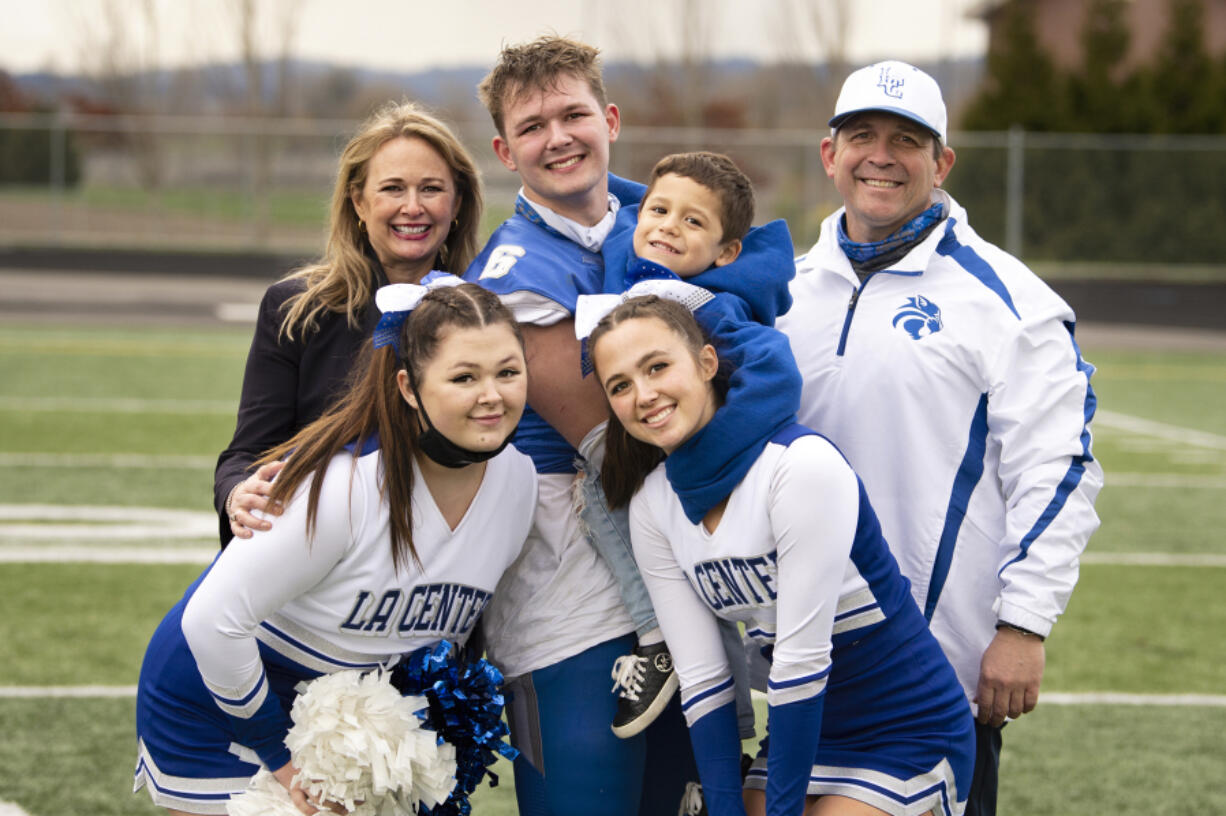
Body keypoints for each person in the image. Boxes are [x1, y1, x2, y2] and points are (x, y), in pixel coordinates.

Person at [776, 60, 1103, 816]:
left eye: (907, 140)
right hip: (806, 660)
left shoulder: (1008, 300)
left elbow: (1058, 470)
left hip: (938, 668)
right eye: (862, 136)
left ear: (942, 162)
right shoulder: (786, 292)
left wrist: (1023, 624)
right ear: (830, 155)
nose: (881, 156)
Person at [134, 281, 537, 815]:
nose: (492, 396)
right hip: (226, 699)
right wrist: (282, 760)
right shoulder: (343, 486)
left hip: (358, 720)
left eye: (508, 373)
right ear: (409, 387)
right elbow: (211, 624)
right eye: (465, 377)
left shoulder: (520, 481)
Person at [587, 294, 975, 816]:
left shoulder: (799, 465)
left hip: (904, 726)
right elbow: (704, 677)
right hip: (804, 736)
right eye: (621, 385)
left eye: (657, 367)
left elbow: (802, 663)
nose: (645, 394)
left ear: (706, 364)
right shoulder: (654, 504)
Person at [463, 35, 703, 816]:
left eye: (573, 115)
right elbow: (622, 437)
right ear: (505, 150)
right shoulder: (516, 273)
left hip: (672, 562)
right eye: (533, 127)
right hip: (572, 587)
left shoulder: (651, 219)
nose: (558, 137)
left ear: (611, 119)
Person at [576, 150, 800, 738]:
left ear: (726, 253)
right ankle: (678, 658)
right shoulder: (640, 237)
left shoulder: (714, 305)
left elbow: (777, 378)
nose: (669, 226)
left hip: (707, 469)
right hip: (652, 455)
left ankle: (697, 681)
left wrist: (703, 467)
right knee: (599, 475)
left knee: (719, 597)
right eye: (659, 210)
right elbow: (628, 194)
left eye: (693, 222)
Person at [214, 100, 483, 546]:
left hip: (444, 565)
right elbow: (247, 455)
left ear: (457, 202)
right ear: (358, 201)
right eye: (393, 189)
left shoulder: (486, 313)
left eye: (431, 188)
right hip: (321, 562)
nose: (412, 207)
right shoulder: (295, 309)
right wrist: (239, 493)